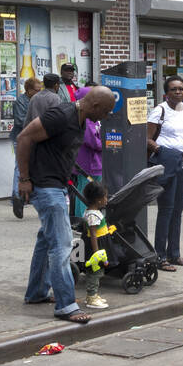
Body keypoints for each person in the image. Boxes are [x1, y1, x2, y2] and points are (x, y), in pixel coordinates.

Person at [15, 85, 116, 321]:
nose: (107, 117)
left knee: (46, 240)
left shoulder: (81, 119)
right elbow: (24, 137)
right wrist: (24, 179)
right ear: (95, 106)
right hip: (45, 185)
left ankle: (37, 293)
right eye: (107, 111)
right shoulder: (61, 115)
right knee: (61, 246)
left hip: (58, 184)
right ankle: (66, 305)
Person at [146, 75, 183, 268]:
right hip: (167, 167)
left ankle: (174, 254)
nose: (178, 92)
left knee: (177, 211)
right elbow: (146, 139)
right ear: (166, 93)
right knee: (166, 210)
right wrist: (162, 151)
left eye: (181, 89)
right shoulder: (159, 111)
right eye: (173, 89)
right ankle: (160, 256)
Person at [10, 76, 41, 218]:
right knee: (20, 166)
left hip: (34, 138)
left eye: (40, 90)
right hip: (21, 138)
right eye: (36, 90)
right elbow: (20, 121)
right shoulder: (20, 102)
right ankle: (17, 197)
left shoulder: (37, 100)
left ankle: (28, 196)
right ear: (28, 90)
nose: (39, 92)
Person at [80, 179, 111, 310]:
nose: (107, 200)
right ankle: (91, 297)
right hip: (95, 248)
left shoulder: (94, 212)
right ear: (98, 200)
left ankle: (93, 294)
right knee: (94, 272)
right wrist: (96, 252)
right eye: (105, 197)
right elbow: (93, 235)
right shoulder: (93, 215)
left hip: (99, 246)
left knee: (98, 271)